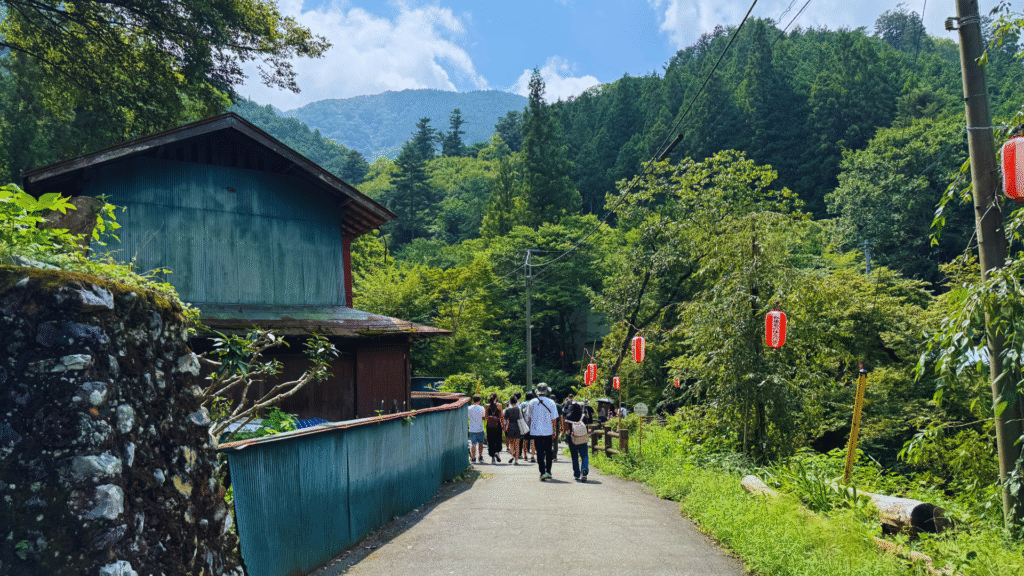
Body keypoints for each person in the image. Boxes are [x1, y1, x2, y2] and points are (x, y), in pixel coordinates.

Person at [527, 382, 559, 481]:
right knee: (549, 451)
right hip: (548, 430)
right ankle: (548, 471)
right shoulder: (551, 402)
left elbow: (528, 416)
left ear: (537, 392)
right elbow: (554, 418)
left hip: (536, 431)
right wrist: (554, 430)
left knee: (539, 452)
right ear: (546, 392)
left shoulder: (532, 402)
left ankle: (542, 473)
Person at [563, 399, 592, 482]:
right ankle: (584, 470)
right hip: (582, 438)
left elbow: (567, 430)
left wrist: (567, 437)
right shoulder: (583, 416)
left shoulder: (568, 417)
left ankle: (576, 474)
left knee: (575, 457)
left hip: (572, 439)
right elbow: (586, 427)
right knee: (584, 456)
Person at [503, 395, 524, 464]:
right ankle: (516, 460)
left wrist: (505, 427)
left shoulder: (508, 410)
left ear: (510, 402)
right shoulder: (519, 409)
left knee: (511, 443)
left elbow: (505, 419)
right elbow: (521, 417)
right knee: (517, 444)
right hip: (518, 426)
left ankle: (512, 454)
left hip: (510, 426)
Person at [485, 393, 504, 464]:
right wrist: (502, 424)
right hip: (497, 425)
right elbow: (501, 416)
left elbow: (486, 417)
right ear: (496, 398)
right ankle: (497, 452)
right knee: (498, 440)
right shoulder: (499, 405)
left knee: (491, 441)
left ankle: (493, 458)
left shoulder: (487, 406)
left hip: (490, 426)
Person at [467, 395, 485, 463]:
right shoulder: (481, 408)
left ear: (473, 400)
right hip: (480, 428)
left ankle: (473, 458)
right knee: (480, 443)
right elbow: (483, 417)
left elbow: (468, 416)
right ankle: (480, 457)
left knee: (473, 443)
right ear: (479, 401)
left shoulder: (469, 408)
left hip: (472, 429)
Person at [522, 391, 536, 462]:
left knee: (525, 440)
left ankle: (525, 456)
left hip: (525, 425)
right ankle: (533, 456)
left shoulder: (523, 404)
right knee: (532, 441)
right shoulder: (534, 404)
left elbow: (520, 414)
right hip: (533, 425)